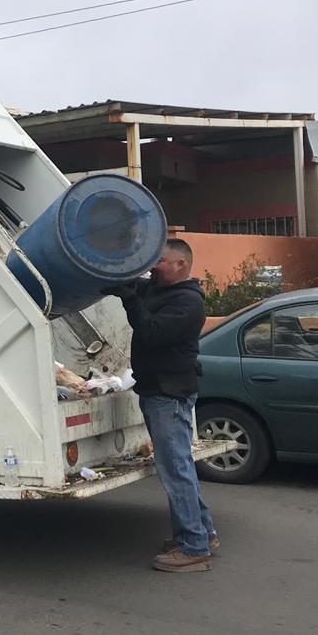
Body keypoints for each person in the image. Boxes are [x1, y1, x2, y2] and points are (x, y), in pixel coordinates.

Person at [106, 238, 217, 573]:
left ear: (181, 265)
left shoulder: (187, 303)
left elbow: (151, 331)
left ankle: (193, 549)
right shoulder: (159, 288)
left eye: (161, 262)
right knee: (179, 466)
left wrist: (129, 301)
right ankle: (202, 533)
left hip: (169, 395)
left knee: (176, 470)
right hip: (159, 390)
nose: (154, 267)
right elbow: (137, 288)